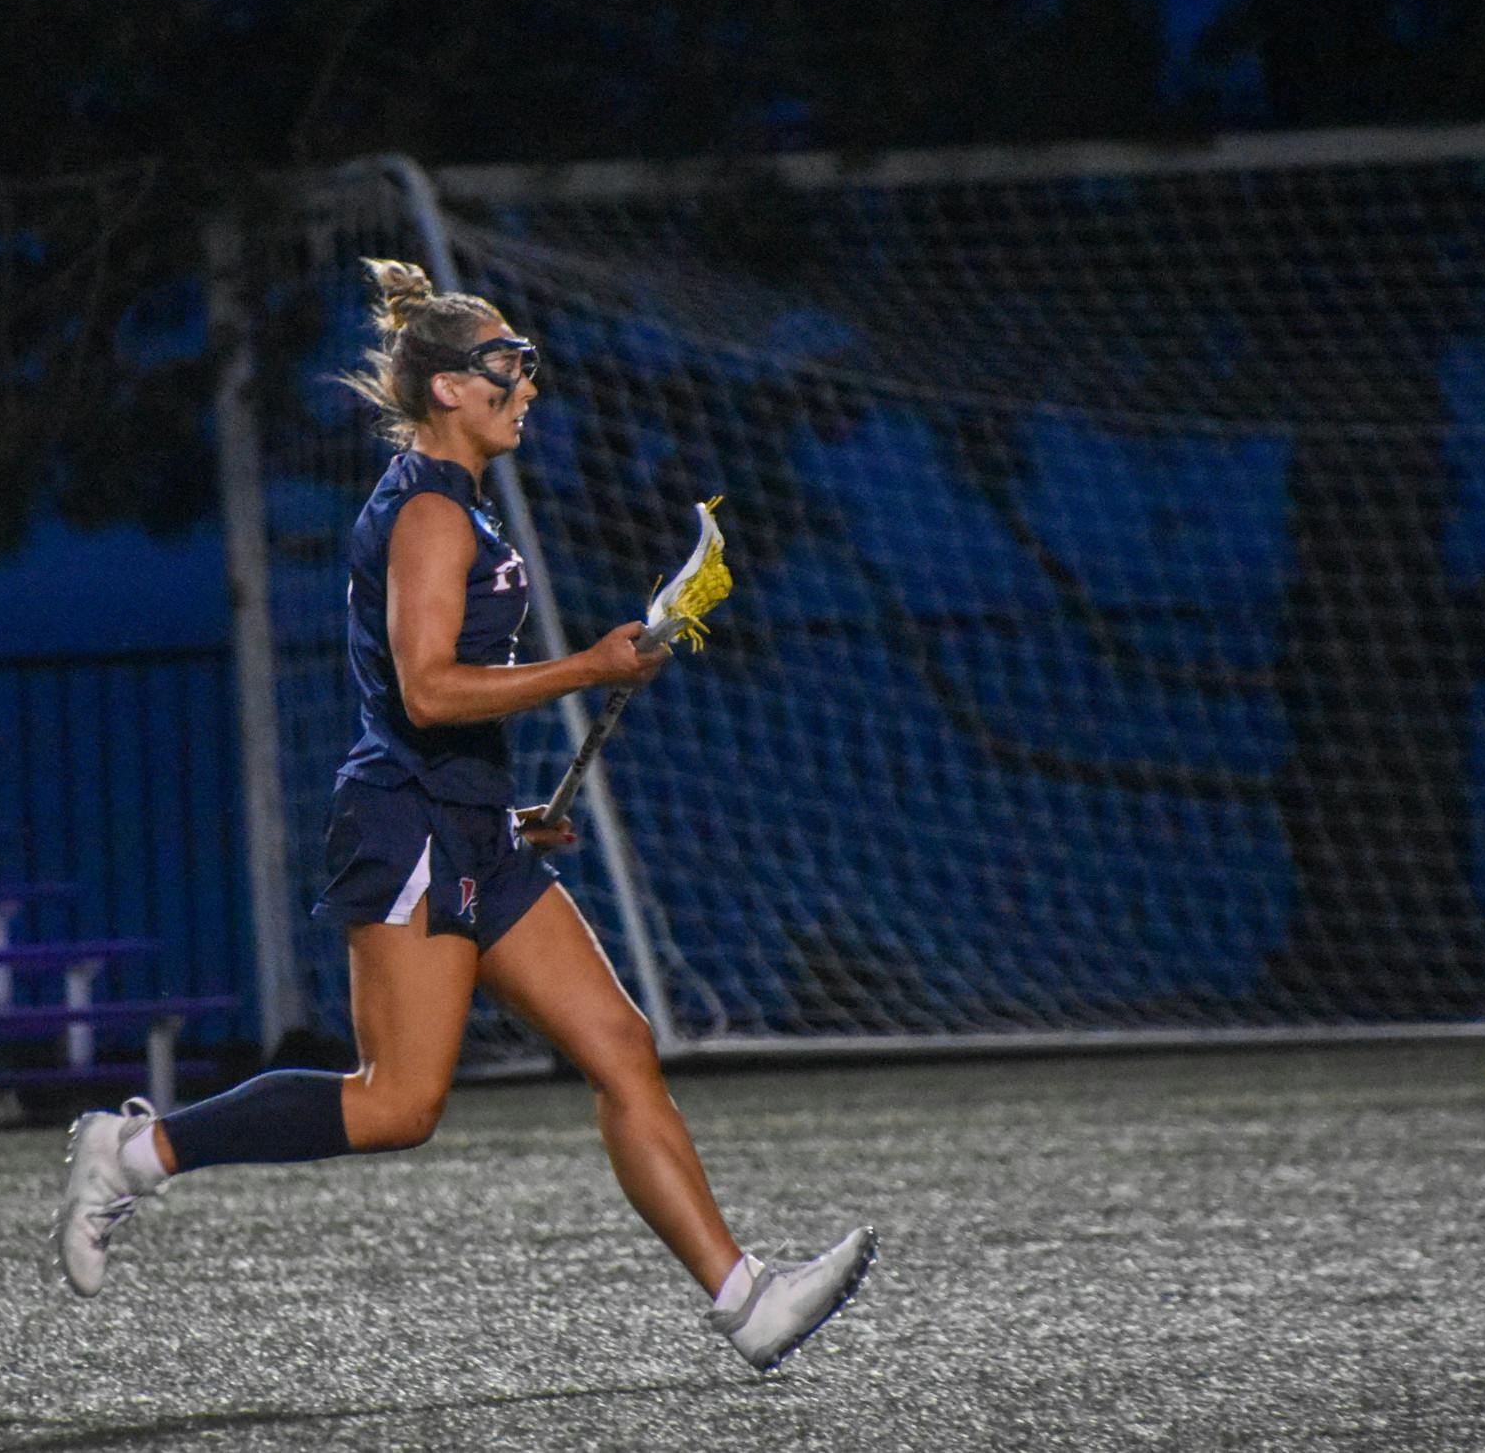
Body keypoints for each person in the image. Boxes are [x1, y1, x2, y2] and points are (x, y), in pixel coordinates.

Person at [54, 258, 875, 1372]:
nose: (527, 384)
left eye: (526, 363)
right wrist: (586, 667)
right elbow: (430, 691)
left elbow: (440, 707)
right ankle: (134, 1153)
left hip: (471, 824)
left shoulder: (459, 503)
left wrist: (505, 811)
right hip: (407, 827)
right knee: (396, 1105)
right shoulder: (431, 516)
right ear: (448, 387)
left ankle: (746, 1302)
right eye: (508, 365)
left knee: (620, 1048)